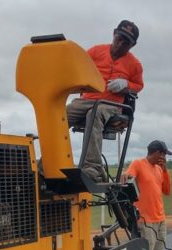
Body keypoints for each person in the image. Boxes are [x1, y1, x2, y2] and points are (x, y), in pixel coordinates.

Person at [66, 20, 144, 183]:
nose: (121, 44)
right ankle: (50, 161)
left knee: (95, 113)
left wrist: (126, 85)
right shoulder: (95, 52)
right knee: (61, 114)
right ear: (114, 34)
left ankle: (92, 167)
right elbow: (78, 68)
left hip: (112, 105)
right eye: (119, 38)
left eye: (126, 42)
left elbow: (139, 85)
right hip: (87, 99)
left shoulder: (134, 65)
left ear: (132, 45)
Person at [122, 140, 172, 250]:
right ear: (157, 153)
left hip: (160, 219)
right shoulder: (138, 164)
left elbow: (167, 190)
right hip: (145, 221)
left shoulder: (159, 169)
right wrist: (125, 175)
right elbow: (128, 177)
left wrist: (165, 170)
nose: (164, 158)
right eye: (164, 154)